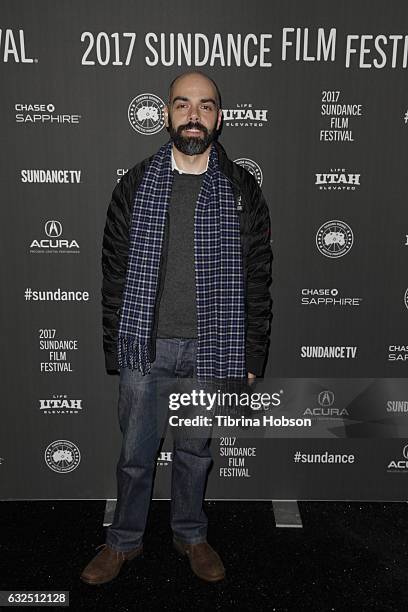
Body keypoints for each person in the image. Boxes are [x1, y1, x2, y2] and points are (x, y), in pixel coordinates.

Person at [80, 70, 272, 585]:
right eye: (183, 104)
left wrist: (252, 356)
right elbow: (114, 271)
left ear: (219, 117)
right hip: (147, 346)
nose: (194, 115)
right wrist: (117, 346)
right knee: (135, 457)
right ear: (167, 114)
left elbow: (257, 274)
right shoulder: (137, 184)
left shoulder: (240, 190)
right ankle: (123, 542)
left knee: (194, 453)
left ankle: (191, 534)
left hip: (213, 347)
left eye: (205, 106)